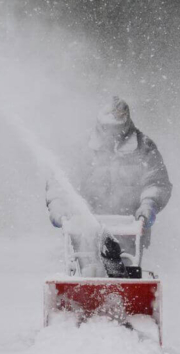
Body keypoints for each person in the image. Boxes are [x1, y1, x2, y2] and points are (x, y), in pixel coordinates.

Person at [46, 97, 172, 269]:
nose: (113, 134)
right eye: (108, 128)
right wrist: (58, 206)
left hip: (130, 229)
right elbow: (61, 182)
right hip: (85, 228)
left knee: (126, 276)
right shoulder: (82, 148)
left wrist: (148, 205)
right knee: (88, 274)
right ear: (100, 124)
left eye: (118, 128)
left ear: (126, 124)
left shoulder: (144, 148)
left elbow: (156, 181)